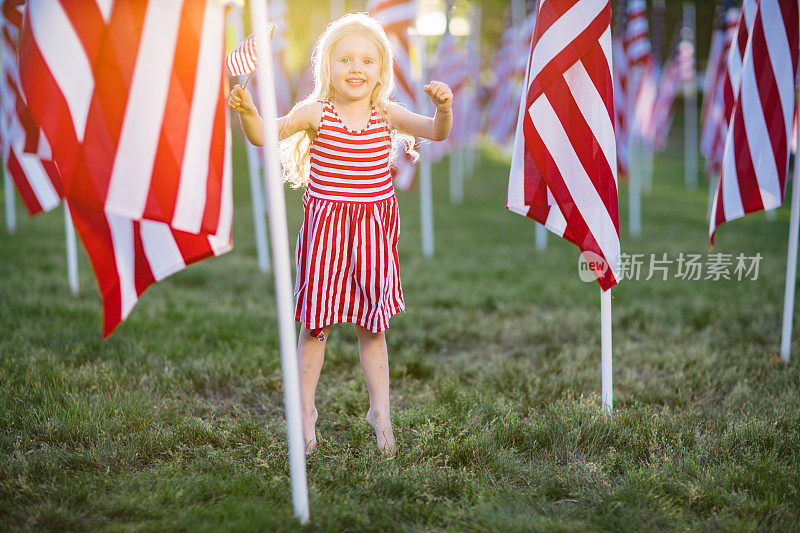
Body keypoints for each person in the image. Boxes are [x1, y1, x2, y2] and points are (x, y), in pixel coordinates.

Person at [228, 12, 452, 457]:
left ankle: (381, 415)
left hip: (372, 238)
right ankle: (306, 412)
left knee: (373, 329)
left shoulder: (386, 113)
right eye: (346, 59)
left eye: (367, 61)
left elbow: (434, 132)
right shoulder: (315, 113)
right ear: (327, 67)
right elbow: (262, 137)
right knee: (316, 329)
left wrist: (443, 109)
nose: (356, 69)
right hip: (326, 237)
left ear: (381, 70)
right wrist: (249, 112)